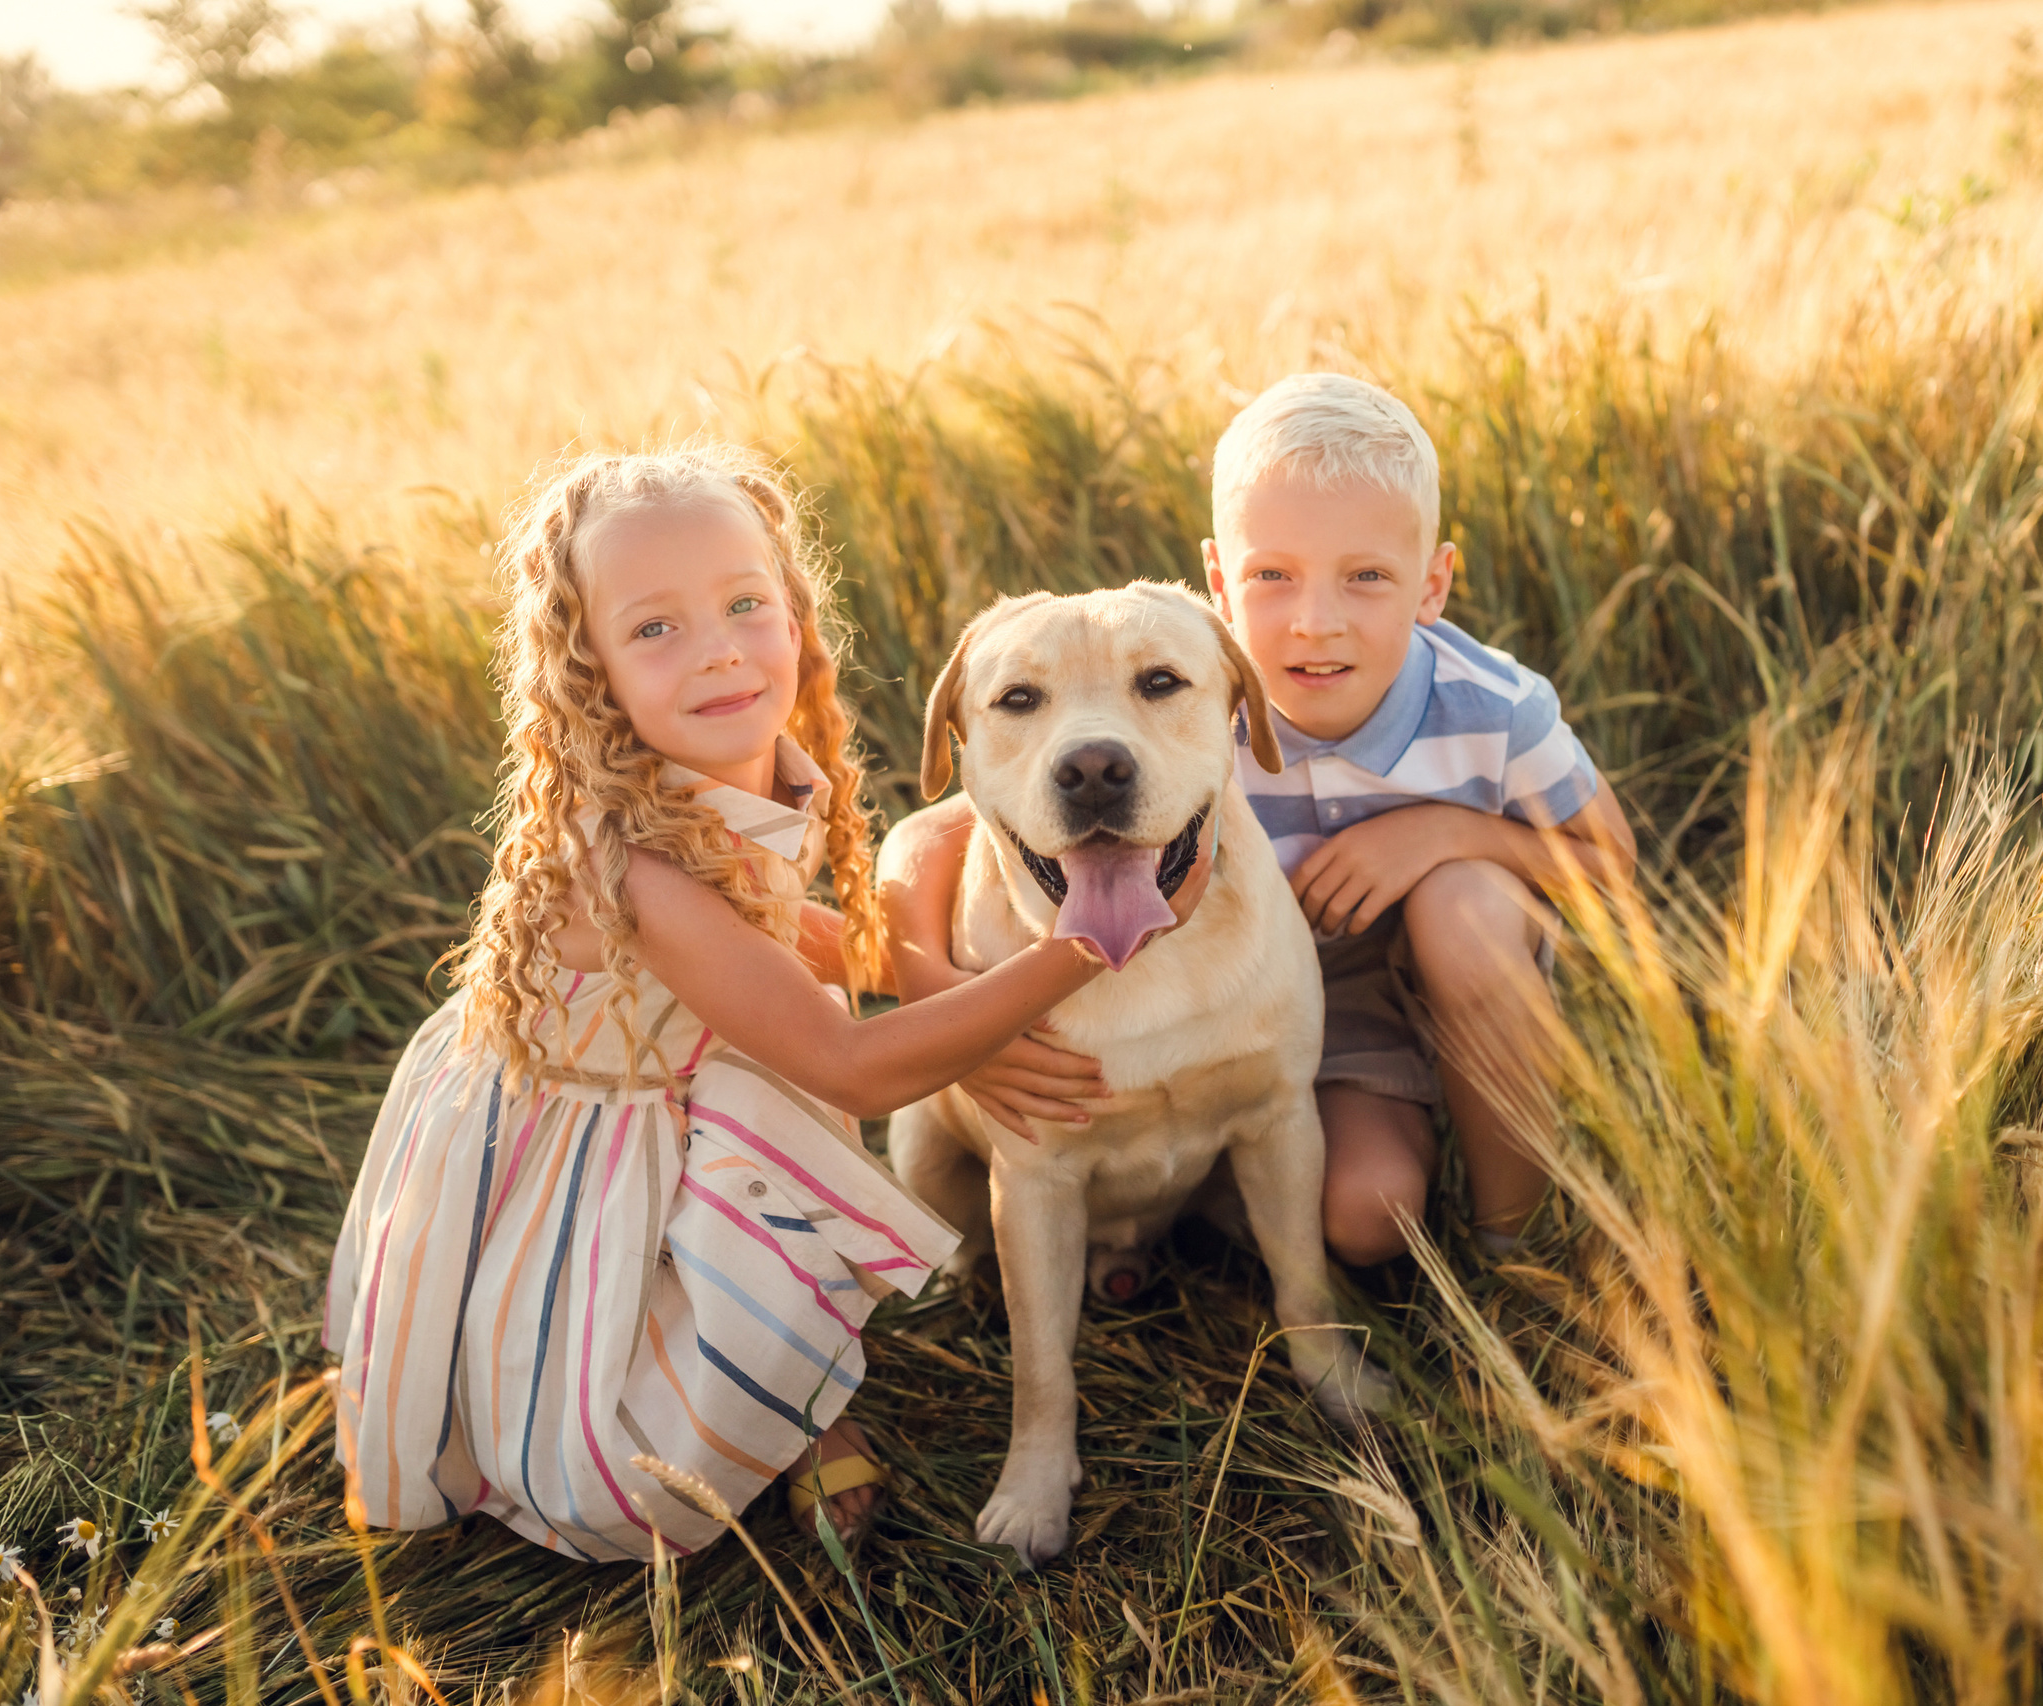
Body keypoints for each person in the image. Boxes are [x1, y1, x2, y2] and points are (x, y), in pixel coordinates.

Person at [323, 446, 1204, 1564]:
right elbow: (848, 1063)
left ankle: (797, 1392)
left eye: (746, 604)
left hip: (681, 1078)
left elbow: (796, 936)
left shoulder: (729, 765)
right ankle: (764, 1409)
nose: (721, 650)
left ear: (794, 612)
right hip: (589, 1138)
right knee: (625, 1459)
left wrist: (960, 1003)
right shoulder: (632, 858)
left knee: (797, 1052)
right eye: (656, 628)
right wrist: (1090, 937)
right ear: (586, 666)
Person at [883, 374, 1633, 1268]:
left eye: (1366, 577)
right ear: (1217, 581)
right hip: (1296, 1029)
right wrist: (937, 1009)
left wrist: (1443, 835)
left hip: (1463, 994)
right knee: (1367, 1218)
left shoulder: (1493, 707)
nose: (1316, 624)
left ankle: (1513, 1248)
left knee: (1461, 904)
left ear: (1432, 585)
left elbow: (1607, 860)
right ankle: (1213, 1216)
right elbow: (947, 825)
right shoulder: (1177, 694)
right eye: (1273, 577)